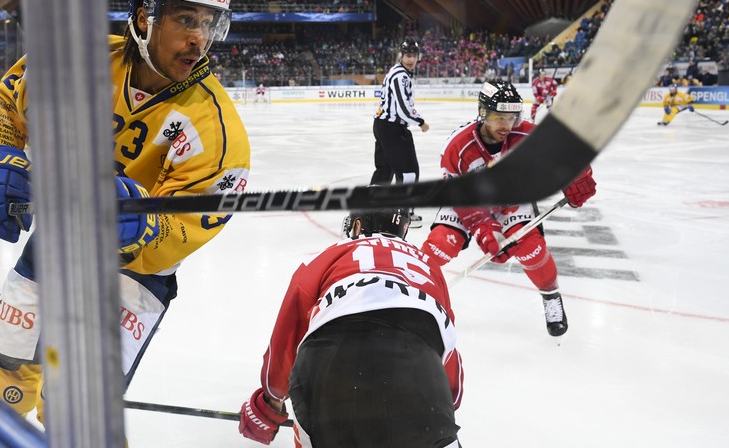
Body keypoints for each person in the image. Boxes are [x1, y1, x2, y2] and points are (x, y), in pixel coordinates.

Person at [0, 0, 250, 424]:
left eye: (209, 22)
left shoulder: (218, 130)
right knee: (7, 373)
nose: (200, 39)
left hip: (135, 273)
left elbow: (193, 222)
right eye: (185, 19)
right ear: (143, 17)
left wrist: (143, 226)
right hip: (59, 242)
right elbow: (6, 104)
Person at [239, 208, 463, 448]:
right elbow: (447, 355)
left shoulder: (329, 254)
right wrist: (440, 406)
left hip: (331, 367)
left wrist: (270, 403)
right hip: (419, 375)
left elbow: (288, 336)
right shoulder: (429, 267)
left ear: (357, 226)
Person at [421, 79, 596, 337]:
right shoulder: (458, 147)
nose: (506, 125)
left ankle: (550, 295)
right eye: (499, 118)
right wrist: (483, 229)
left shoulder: (526, 133)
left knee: (532, 250)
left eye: (512, 117)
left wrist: (578, 175)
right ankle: (412, 293)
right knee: (439, 245)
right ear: (482, 113)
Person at [371, 38, 429, 223]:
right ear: (401, 55)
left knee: (384, 170)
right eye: (407, 55)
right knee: (409, 171)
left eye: (413, 55)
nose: (410, 59)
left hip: (384, 126)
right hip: (392, 128)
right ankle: (403, 213)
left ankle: (370, 207)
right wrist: (420, 122)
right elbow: (403, 108)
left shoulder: (400, 73)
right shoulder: (400, 76)